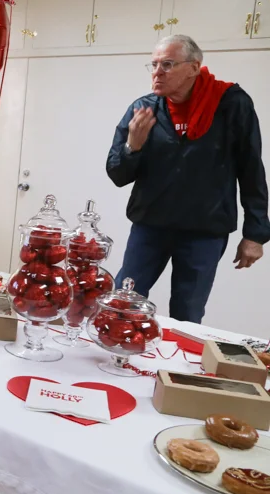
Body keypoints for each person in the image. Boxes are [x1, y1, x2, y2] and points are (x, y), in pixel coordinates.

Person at [106, 35, 270, 323]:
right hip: (150, 226)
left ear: (194, 67)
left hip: (204, 231)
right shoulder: (144, 109)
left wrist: (255, 234)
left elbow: (251, 168)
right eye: (154, 64)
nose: (157, 72)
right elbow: (118, 174)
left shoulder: (231, 104)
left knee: (187, 314)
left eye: (167, 64)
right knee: (122, 303)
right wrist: (133, 147)